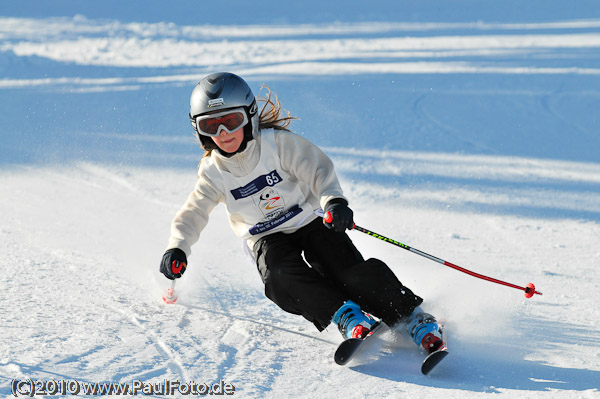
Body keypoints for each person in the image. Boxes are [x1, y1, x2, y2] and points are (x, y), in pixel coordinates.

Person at [159, 72, 443, 353]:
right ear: (199, 130)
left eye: (231, 121)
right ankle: (345, 315)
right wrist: (178, 247)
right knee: (279, 276)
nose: (223, 134)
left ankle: (412, 317)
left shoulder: (277, 144)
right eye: (211, 126)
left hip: (308, 218)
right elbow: (193, 212)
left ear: (250, 115)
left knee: (347, 270)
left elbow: (318, 170)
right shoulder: (213, 172)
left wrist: (334, 202)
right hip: (265, 235)